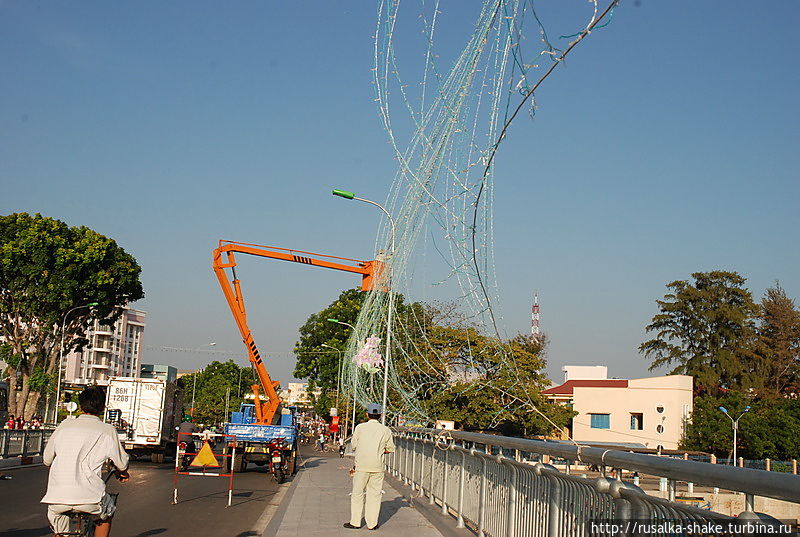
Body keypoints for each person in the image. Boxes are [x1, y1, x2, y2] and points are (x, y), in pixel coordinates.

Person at [42, 386, 129, 537]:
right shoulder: (107, 430)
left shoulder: (64, 426)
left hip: (58, 497)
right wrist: (123, 472)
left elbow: (47, 459)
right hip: (91, 498)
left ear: (81, 406)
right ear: (102, 407)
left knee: (60, 529)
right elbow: (121, 463)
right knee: (107, 512)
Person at [343, 403, 395, 531]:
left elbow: (354, 445)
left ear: (367, 414)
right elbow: (390, 449)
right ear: (380, 415)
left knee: (357, 494)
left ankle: (355, 522)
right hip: (377, 467)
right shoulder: (386, 430)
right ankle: (372, 524)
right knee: (375, 495)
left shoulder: (360, 428)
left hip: (361, 466)